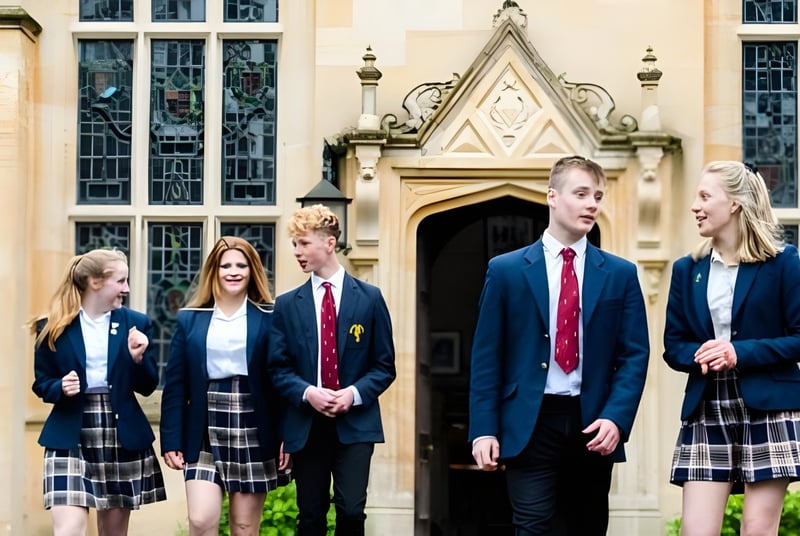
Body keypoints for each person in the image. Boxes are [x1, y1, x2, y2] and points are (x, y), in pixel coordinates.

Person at [468, 155, 650, 536]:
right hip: (528, 422)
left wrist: (617, 417)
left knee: (587, 527)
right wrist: (483, 429)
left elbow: (634, 354)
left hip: (593, 423)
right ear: (552, 196)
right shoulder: (505, 271)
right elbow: (487, 357)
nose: (592, 204)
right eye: (581, 194)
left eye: (597, 196)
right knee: (532, 528)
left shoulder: (621, 274)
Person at [663, 161, 800, 535]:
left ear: (735, 203)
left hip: (770, 407)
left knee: (757, 529)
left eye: (705, 196)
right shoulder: (687, 269)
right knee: (696, 530)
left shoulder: (783, 262)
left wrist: (739, 352)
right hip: (707, 404)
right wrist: (701, 354)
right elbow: (673, 345)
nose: (695, 206)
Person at [268, 204, 396, 536]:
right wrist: (307, 392)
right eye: (294, 244)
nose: (297, 252)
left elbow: (384, 366)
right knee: (310, 515)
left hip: (356, 425)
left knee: (351, 511)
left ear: (329, 243)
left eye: (303, 243)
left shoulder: (369, 299)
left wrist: (353, 394)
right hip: (306, 425)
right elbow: (278, 368)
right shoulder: (286, 305)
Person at [30, 248, 166, 536]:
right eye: (121, 281)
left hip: (120, 432)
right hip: (70, 432)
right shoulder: (53, 326)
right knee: (68, 530)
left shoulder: (135, 324)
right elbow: (42, 383)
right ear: (95, 282)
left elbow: (147, 386)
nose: (127, 289)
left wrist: (138, 358)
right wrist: (59, 387)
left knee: (113, 533)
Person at [160, 236, 290, 536]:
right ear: (214, 271)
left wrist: (288, 436)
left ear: (252, 270)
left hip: (254, 424)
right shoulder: (190, 319)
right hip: (202, 426)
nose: (234, 272)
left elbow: (281, 382)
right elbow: (175, 384)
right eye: (226, 265)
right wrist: (171, 440)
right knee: (200, 520)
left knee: (244, 527)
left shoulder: (271, 317)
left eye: (241, 265)